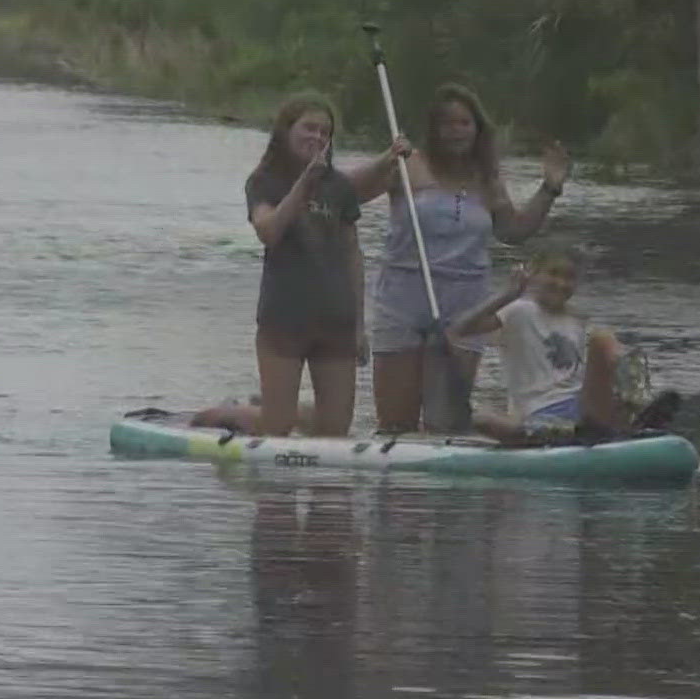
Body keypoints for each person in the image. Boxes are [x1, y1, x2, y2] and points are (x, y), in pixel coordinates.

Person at [364, 84, 570, 433]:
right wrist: (384, 159)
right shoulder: (407, 165)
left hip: (466, 307)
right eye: (447, 123)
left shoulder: (486, 181)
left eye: (464, 123)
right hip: (402, 300)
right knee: (396, 422)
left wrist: (549, 188)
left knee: (445, 422)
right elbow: (353, 194)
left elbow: (514, 231)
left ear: (477, 129)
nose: (456, 131)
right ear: (434, 129)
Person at [244, 94, 406, 437]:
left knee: (334, 431)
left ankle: (290, 414)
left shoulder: (339, 186)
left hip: (336, 321)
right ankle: (232, 415)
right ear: (287, 131)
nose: (317, 137)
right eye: (309, 128)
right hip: (283, 320)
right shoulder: (264, 181)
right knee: (276, 426)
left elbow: (353, 256)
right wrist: (304, 184)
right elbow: (268, 232)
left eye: (325, 132)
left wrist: (359, 325)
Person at [449, 246, 680, 445]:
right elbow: (459, 330)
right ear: (533, 274)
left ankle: (633, 411)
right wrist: (506, 295)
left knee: (603, 340)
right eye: (553, 274)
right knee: (482, 419)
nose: (561, 283)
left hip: (579, 405)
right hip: (540, 410)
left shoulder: (577, 319)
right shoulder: (519, 310)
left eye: (569, 277)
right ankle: (559, 433)